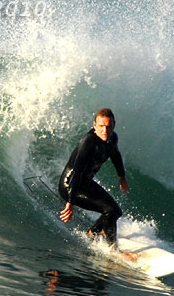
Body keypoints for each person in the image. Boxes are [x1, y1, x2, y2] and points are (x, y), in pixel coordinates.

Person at [58, 108, 136, 259]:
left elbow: (116, 156)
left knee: (116, 211)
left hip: (85, 183)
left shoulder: (112, 139)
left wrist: (122, 177)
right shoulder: (88, 143)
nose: (105, 130)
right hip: (70, 185)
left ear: (114, 125)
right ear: (94, 125)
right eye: (101, 126)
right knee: (110, 211)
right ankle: (113, 251)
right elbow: (77, 173)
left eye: (108, 126)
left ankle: (91, 234)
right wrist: (70, 202)